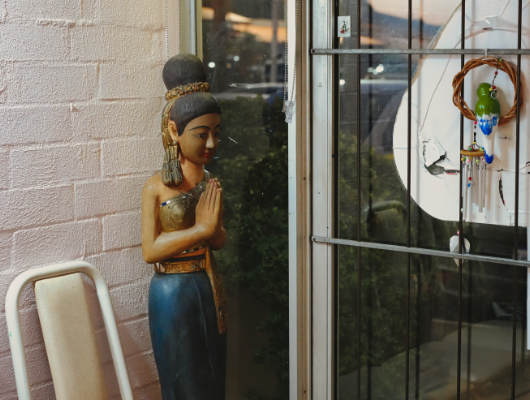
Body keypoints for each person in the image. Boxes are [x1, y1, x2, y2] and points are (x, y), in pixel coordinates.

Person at [141, 53, 227, 400]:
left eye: (216, 133)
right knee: (183, 380)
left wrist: (213, 230)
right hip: (172, 292)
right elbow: (150, 251)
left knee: (213, 375)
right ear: (174, 132)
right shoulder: (156, 188)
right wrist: (200, 231)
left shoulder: (209, 182)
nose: (211, 144)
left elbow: (219, 239)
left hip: (207, 282)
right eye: (202, 134)